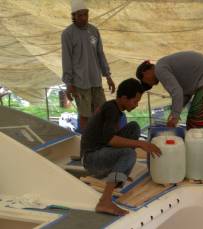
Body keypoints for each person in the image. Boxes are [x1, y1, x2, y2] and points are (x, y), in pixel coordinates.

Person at [81, 78, 161, 216]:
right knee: (129, 154)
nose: (136, 105)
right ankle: (105, 202)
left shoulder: (115, 108)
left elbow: (109, 138)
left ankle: (118, 176)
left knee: (134, 127)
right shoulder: (111, 109)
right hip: (91, 159)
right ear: (124, 98)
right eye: (135, 101)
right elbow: (111, 140)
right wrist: (141, 144)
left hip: (100, 151)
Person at [61, 0, 115, 132]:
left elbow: (100, 54)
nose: (84, 18)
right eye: (80, 15)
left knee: (101, 112)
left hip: (96, 80)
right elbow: (66, 59)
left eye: (85, 14)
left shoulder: (94, 30)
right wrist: (69, 84)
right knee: (85, 115)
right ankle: (86, 144)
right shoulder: (67, 34)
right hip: (80, 82)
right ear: (73, 16)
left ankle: (101, 141)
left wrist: (107, 76)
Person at [136, 51, 203, 131]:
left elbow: (177, 92)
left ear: (145, 72)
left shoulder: (159, 69)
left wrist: (175, 116)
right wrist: (174, 113)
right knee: (201, 119)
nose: (152, 85)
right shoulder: (163, 66)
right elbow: (184, 95)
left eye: (146, 82)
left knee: (197, 121)